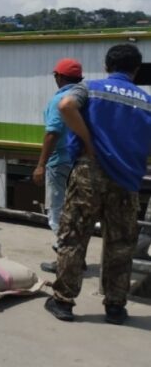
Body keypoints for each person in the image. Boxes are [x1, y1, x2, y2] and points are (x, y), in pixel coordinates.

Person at [45, 44, 151, 325]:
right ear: (136, 70)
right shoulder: (146, 101)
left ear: (106, 66)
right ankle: (115, 307)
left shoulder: (89, 88)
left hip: (89, 172)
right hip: (127, 180)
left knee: (74, 237)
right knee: (121, 244)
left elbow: (65, 106)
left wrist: (89, 140)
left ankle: (64, 302)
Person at [33, 58, 83, 273]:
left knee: (56, 211)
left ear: (60, 77)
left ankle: (65, 259)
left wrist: (41, 164)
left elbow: (52, 133)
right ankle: (76, 257)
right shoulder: (82, 98)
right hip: (77, 161)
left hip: (59, 162)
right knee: (74, 211)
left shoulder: (59, 100)